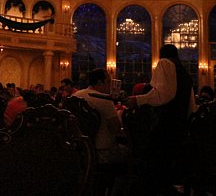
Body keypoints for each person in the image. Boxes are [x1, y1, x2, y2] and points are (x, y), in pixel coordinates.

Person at [125, 44, 196, 195]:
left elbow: (165, 94)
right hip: (179, 125)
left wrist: (138, 100)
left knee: (156, 164)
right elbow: (191, 104)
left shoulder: (165, 63)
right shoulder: (183, 71)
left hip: (165, 123)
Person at [75, 68, 130, 165]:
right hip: (102, 152)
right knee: (131, 152)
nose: (110, 86)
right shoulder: (104, 100)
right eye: (108, 82)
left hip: (79, 151)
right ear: (100, 82)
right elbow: (115, 129)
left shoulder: (76, 96)